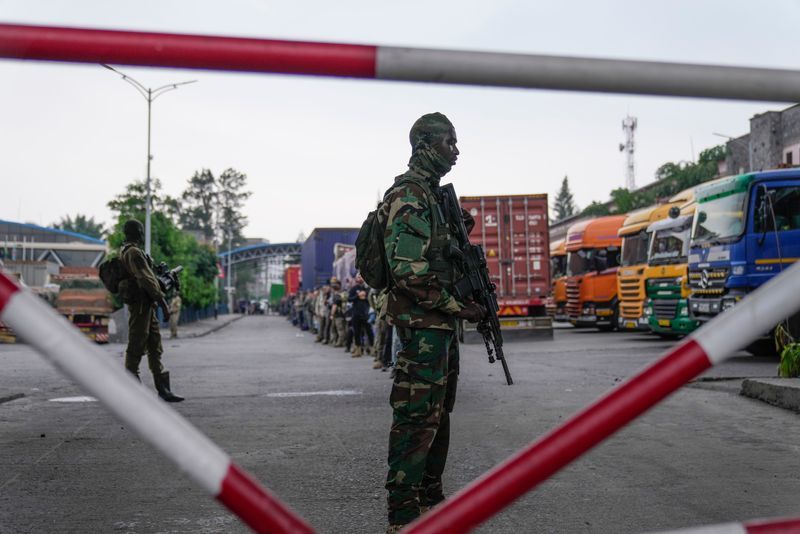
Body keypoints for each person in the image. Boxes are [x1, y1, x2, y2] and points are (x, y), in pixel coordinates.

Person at [380, 113, 484, 532]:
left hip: (438, 327)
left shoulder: (433, 196)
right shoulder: (409, 195)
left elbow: (435, 256)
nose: (456, 150)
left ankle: (430, 497)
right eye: (449, 142)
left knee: (439, 413)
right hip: (423, 327)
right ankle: (403, 513)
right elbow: (408, 271)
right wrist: (458, 307)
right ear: (424, 145)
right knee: (415, 417)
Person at [117, 219, 184, 403]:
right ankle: (132, 391)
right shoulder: (133, 252)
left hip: (147, 306)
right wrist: (162, 301)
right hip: (140, 306)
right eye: (140, 230)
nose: (141, 233)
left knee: (155, 345)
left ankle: (163, 389)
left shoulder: (127, 251)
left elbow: (149, 278)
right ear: (136, 232)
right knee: (136, 345)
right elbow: (146, 279)